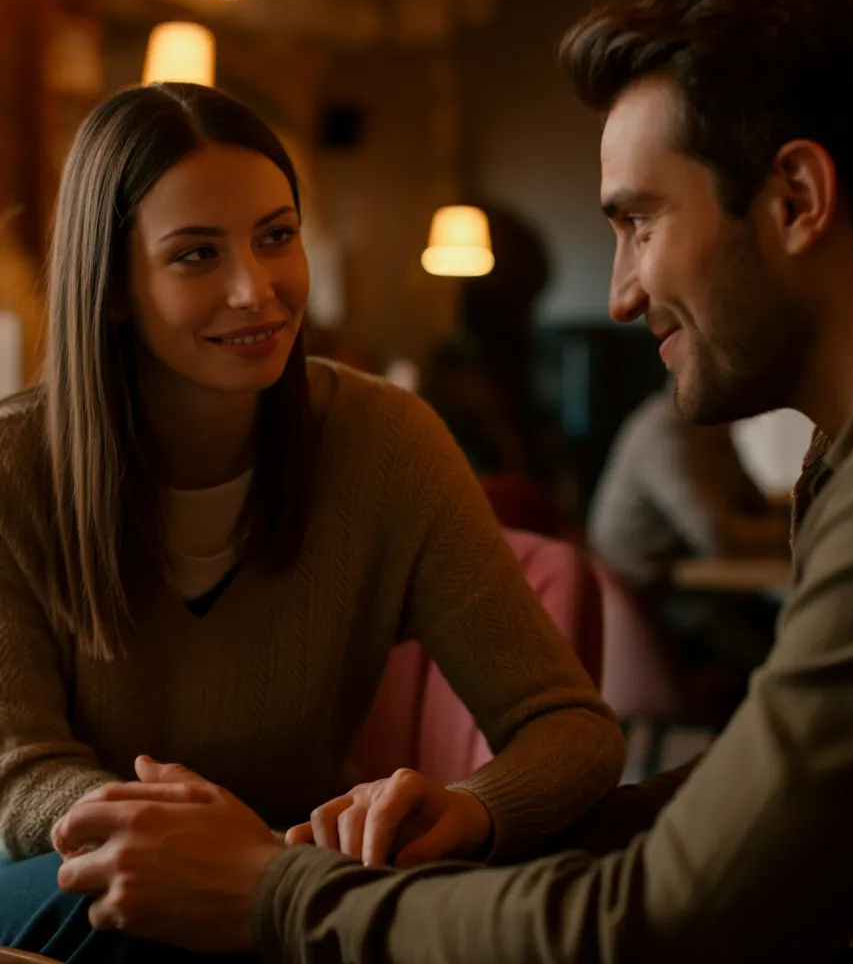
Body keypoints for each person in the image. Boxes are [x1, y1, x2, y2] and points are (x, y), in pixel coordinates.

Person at [23, 0, 853, 962]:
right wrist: (480, 823)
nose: (618, 293)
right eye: (196, 253)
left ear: (800, 198)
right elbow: (801, 804)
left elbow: (663, 919)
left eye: (637, 221)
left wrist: (275, 891)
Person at [0, 82, 626, 957]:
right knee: (140, 917)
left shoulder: (386, 442)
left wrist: (472, 808)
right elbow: (18, 775)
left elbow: (572, 729)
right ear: (110, 289)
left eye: (275, 237)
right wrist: (195, 849)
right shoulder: (13, 470)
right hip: (56, 881)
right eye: (195, 256)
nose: (256, 290)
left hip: (285, 890)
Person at [588, 377, 790, 675]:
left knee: (790, 625)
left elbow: (751, 505)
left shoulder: (709, 427)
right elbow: (718, 537)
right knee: (777, 655)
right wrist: (794, 532)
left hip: (692, 580)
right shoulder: (664, 433)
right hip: (648, 600)